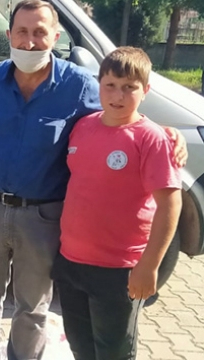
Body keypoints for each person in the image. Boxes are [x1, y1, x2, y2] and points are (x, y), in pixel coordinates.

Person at [0, 1, 187, 360]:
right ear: (9, 35)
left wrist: (168, 133)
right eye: (22, 32)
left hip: (43, 216)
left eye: (39, 32)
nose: (30, 42)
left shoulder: (78, 84)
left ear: (55, 36)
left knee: (33, 305)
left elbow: (123, 112)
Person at [50, 46, 182, 360]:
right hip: (71, 263)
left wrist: (149, 266)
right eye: (110, 85)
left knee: (114, 351)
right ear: (99, 85)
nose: (118, 95)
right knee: (81, 347)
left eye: (129, 88)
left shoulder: (151, 139)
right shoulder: (83, 127)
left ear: (146, 91)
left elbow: (170, 205)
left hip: (119, 271)